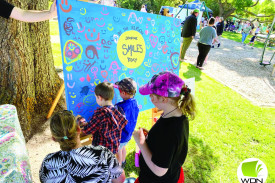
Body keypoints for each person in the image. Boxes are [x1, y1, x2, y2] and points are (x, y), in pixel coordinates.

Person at [133, 71, 196, 183]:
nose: (150, 97)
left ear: (164, 99)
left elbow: (159, 171)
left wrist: (141, 143)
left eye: (151, 95)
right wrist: (151, 138)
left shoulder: (171, 131)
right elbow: (166, 146)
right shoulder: (176, 115)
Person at [39, 110, 125, 183]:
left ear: (54, 139)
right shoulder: (103, 154)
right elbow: (120, 179)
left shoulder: (47, 163)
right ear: (78, 129)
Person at [81, 82, 128, 154]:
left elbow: (87, 130)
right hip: (113, 149)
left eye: (96, 97)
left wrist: (82, 122)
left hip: (101, 151)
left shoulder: (101, 113)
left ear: (99, 97)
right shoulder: (118, 110)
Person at [115, 78, 139, 167]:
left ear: (123, 93)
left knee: (118, 150)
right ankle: (123, 161)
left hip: (121, 135)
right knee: (123, 147)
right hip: (128, 133)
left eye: (119, 91)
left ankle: (119, 166)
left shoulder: (120, 107)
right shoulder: (134, 102)